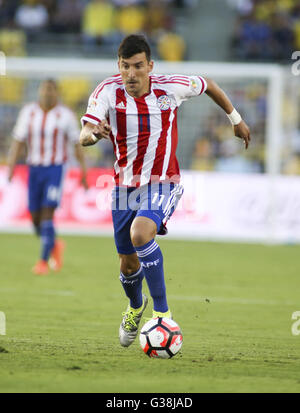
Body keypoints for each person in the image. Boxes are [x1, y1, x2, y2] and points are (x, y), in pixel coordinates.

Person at [79, 34, 250, 347]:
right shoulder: (107, 91)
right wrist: (93, 135)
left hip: (163, 181)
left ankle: (163, 315)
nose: (131, 73)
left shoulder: (170, 87)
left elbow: (208, 83)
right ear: (118, 66)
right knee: (128, 264)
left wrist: (235, 118)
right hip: (123, 188)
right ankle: (135, 306)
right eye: (125, 66)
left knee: (141, 233)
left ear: (150, 66)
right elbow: (85, 133)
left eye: (138, 66)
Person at [7, 79, 88, 275]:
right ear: (40, 91)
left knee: (47, 214)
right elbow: (18, 141)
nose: (47, 94)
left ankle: (43, 262)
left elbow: (77, 146)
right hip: (34, 169)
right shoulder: (29, 112)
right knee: (35, 219)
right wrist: (10, 167)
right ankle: (55, 245)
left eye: (51, 90)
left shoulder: (66, 115)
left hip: (55, 169)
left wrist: (84, 172)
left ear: (57, 93)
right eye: (44, 90)